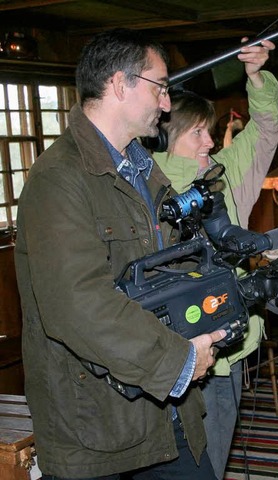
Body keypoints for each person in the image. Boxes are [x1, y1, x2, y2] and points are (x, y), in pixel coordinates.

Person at [14, 28, 228, 479]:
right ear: (119, 84)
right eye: (160, 87)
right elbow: (76, 304)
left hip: (164, 411)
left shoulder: (144, 170)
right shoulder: (59, 178)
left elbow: (167, 270)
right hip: (96, 425)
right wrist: (179, 361)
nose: (167, 103)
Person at [152, 39, 278, 479]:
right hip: (165, 354)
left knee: (216, 456)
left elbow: (267, 128)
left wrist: (257, 78)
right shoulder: (140, 184)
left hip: (224, 351)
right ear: (168, 137)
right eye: (198, 132)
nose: (211, 140)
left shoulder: (223, 175)